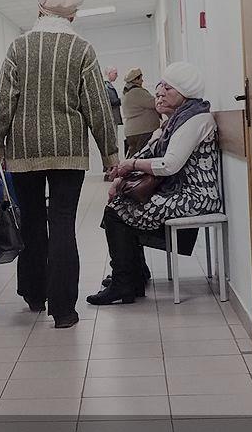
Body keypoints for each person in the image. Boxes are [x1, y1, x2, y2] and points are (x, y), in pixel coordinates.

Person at [0, 0, 119, 328]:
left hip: (24, 150)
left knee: (32, 220)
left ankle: (34, 294)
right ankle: (63, 311)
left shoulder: (19, 47)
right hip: (68, 151)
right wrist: (110, 154)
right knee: (62, 224)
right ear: (72, 16)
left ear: (39, 11)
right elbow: (97, 106)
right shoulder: (81, 49)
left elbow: (4, 100)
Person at [88, 62, 221, 305]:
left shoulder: (197, 119)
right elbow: (148, 153)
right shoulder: (176, 120)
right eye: (160, 88)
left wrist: (131, 165)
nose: (160, 92)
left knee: (117, 212)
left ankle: (126, 280)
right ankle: (133, 275)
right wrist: (120, 177)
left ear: (184, 91)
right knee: (120, 204)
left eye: (167, 89)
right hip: (179, 190)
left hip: (196, 196)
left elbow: (169, 165)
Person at [122, 67, 162, 158]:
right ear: (135, 79)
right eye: (140, 78)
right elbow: (154, 103)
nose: (142, 80)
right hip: (142, 132)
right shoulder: (136, 92)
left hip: (134, 131)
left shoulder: (127, 91)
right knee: (141, 157)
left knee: (135, 156)